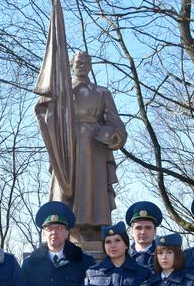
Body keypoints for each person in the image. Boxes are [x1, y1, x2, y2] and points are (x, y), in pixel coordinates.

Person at [37, 50, 127, 240]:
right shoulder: (60, 91)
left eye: (87, 60)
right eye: (79, 60)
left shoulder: (102, 93)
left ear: (91, 65)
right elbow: (44, 113)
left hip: (93, 148)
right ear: (71, 64)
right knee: (64, 188)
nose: (83, 63)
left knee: (91, 187)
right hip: (66, 145)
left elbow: (116, 125)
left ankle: (90, 228)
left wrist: (109, 134)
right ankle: (63, 227)